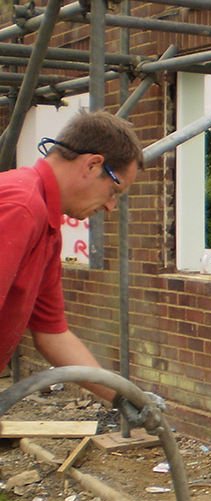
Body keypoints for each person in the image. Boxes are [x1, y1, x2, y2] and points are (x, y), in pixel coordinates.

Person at [0, 109, 142, 403]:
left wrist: (123, 398)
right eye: (115, 189)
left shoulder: (46, 226)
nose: (110, 206)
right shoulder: (22, 205)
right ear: (92, 165)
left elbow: (51, 332)